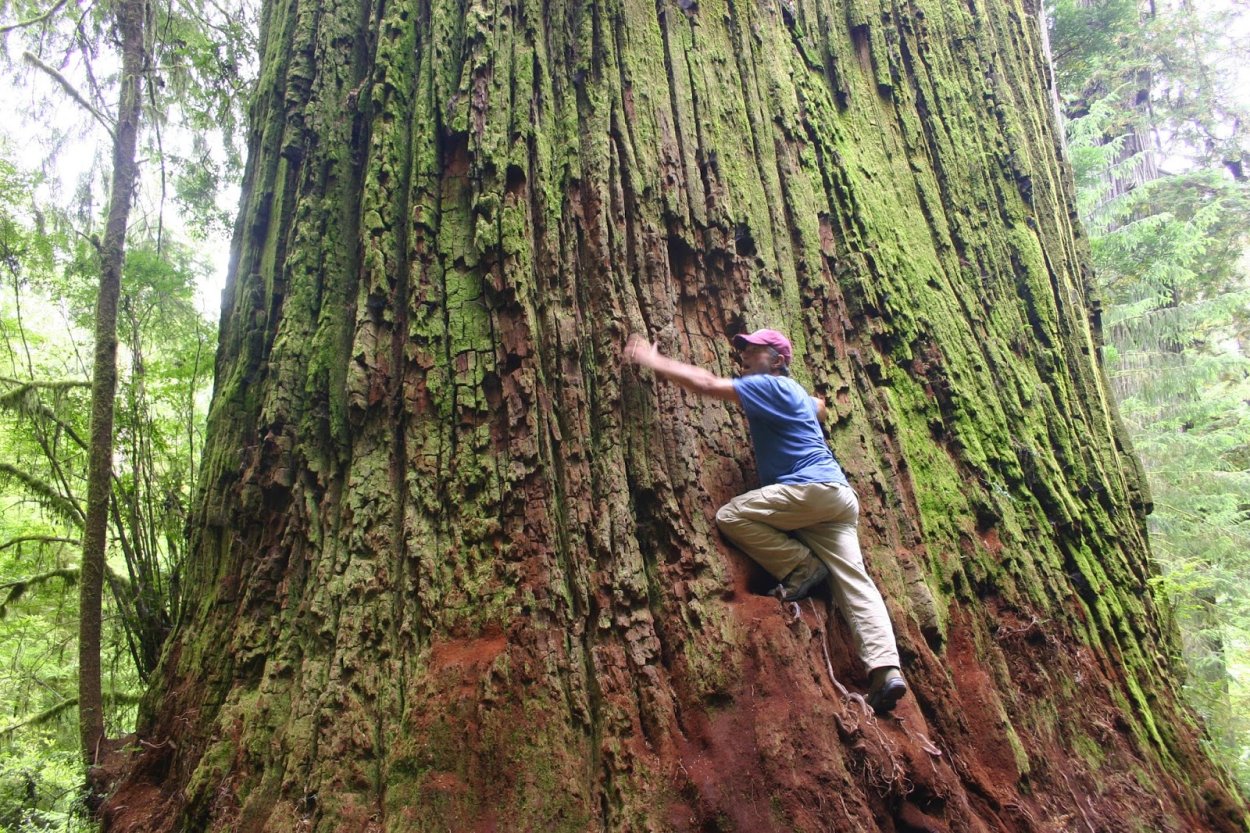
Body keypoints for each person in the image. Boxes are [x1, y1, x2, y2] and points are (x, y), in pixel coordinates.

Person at [623, 328, 907, 714]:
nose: (743, 356)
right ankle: (885, 671)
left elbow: (707, 384)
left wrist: (654, 361)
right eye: (743, 349)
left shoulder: (769, 386)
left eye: (753, 350)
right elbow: (819, 407)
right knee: (855, 582)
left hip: (808, 490)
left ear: (777, 360)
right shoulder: (795, 395)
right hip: (836, 498)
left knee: (731, 515)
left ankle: (801, 566)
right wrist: (820, 404)